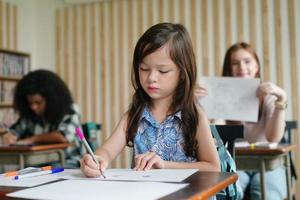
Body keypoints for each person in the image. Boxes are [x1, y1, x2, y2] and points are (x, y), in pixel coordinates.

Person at [80, 22, 220, 178]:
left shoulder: (194, 116)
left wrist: (165, 165)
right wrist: (95, 160)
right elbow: (106, 151)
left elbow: (213, 167)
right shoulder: (134, 116)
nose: (151, 78)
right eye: (144, 69)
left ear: (182, 73)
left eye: (163, 71)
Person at [197, 42, 287, 200]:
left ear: (257, 65)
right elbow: (216, 134)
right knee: (228, 192)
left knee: (266, 194)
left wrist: (282, 100)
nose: (241, 67)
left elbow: (274, 137)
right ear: (229, 69)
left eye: (247, 61)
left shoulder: (270, 96)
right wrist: (199, 104)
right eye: (235, 63)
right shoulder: (222, 97)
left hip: (268, 164)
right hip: (236, 162)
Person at [2, 69, 84, 168]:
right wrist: (9, 136)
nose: (33, 107)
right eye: (30, 103)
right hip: (36, 164)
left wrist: (32, 140)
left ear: (51, 99)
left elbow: (63, 136)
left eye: (38, 102)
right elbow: (15, 131)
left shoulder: (70, 109)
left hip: (68, 162)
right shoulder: (30, 114)